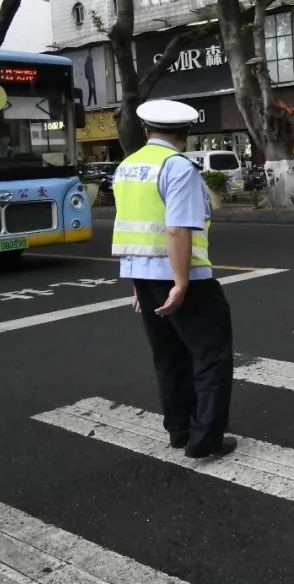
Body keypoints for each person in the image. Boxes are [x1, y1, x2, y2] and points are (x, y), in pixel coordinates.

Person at [111, 100, 236, 459]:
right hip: (186, 278)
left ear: (147, 130)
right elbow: (176, 230)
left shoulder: (128, 167)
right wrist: (180, 284)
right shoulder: (177, 168)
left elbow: (131, 229)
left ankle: (179, 430)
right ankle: (205, 439)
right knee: (211, 355)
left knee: (168, 356)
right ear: (186, 133)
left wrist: (138, 285)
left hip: (144, 278)